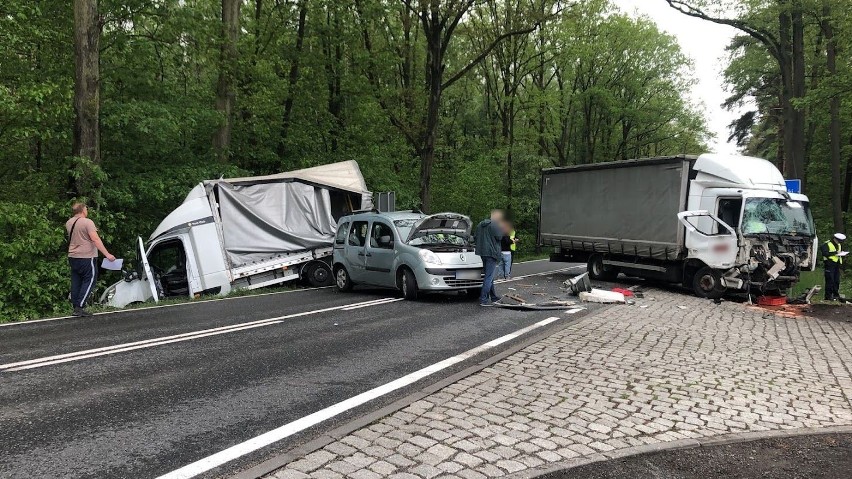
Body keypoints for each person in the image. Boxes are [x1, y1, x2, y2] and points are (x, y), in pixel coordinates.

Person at [66, 202, 116, 316]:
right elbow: (95, 239)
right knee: (90, 280)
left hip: (73, 256)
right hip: (86, 256)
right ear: (83, 210)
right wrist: (107, 254)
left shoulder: (69, 222)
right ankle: (80, 306)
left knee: (76, 281)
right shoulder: (88, 222)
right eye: (86, 209)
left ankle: (75, 306)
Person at [474, 210, 504, 306]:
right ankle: (483, 299)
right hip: (492, 253)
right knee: (488, 277)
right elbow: (499, 237)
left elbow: (475, 237)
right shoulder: (495, 225)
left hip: (482, 252)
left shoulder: (480, 225)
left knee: (489, 276)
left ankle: (494, 297)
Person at [821, 233, 846, 301]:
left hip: (836, 264)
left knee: (836, 280)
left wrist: (841, 254)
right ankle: (828, 296)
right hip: (829, 264)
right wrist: (835, 253)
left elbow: (838, 252)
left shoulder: (839, 244)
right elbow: (824, 253)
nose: (839, 242)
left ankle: (835, 295)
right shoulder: (826, 244)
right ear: (835, 239)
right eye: (838, 241)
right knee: (830, 280)